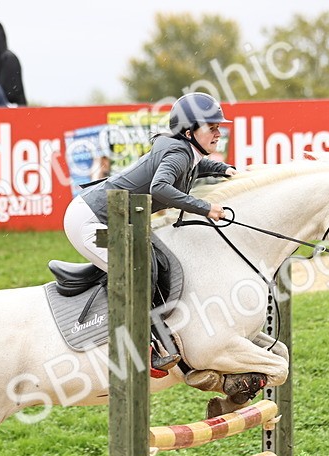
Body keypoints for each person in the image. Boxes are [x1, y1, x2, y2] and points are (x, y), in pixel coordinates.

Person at [62, 92, 236, 371]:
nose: (218, 133)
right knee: (135, 271)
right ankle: (143, 347)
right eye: (212, 127)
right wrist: (205, 208)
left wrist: (224, 169)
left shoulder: (185, 152)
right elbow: (160, 188)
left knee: (156, 264)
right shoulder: (178, 152)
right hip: (89, 222)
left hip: (112, 218)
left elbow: (197, 166)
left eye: (218, 127)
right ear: (190, 132)